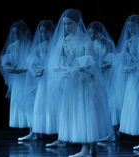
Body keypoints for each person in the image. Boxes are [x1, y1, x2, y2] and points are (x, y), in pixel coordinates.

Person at [46, 9, 113, 156]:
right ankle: (89, 146)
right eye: (64, 24)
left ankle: (87, 147)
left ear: (77, 23)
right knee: (78, 112)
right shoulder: (64, 41)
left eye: (69, 24)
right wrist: (62, 68)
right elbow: (57, 61)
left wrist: (78, 66)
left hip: (85, 82)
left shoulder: (85, 40)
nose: (66, 27)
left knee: (86, 112)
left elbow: (91, 61)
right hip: (72, 83)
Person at [117, 14, 139, 150]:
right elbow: (125, 59)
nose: (130, 29)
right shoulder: (129, 42)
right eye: (129, 27)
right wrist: (127, 67)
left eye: (133, 27)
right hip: (134, 78)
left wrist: (138, 67)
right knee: (136, 105)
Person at [17, 20, 55, 141]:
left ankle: (59, 133)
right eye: (41, 31)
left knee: (53, 103)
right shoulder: (39, 47)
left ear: (50, 32)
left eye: (45, 31)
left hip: (53, 79)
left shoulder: (56, 45)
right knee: (40, 104)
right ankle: (36, 131)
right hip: (42, 79)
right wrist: (36, 70)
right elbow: (31, 61)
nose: (43, 34)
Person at [0, 20, 32, 130]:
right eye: (14, 33)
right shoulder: (12, 46)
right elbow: (6, 62)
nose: (16, 35)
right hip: (17, 79)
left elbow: (31, 62)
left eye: (18, 33)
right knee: (20, 101)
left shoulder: (29, 45)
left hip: (27, 78)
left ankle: (33, 129)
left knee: (29, 102)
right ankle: (28, 128)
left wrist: (23, 69)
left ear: (23, 32)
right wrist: (8, 67)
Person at [87, 21, 117, 142]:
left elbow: (112, 61)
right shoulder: (90, 43)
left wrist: (100, 67)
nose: (93, 35)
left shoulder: (107, 43)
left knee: (109, 103)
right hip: (95, 76)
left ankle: (112, 132)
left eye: (95, 32)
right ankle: (103, 131)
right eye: (91, 32)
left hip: (106, 76)